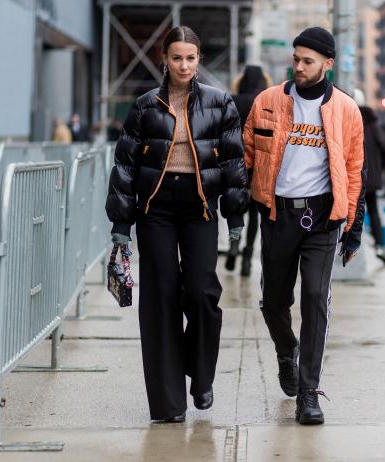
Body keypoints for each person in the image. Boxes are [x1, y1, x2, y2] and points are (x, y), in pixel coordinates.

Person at [105, 26, 249, 423]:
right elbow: (126, 166)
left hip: (200, 208)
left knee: (203, 293)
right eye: (176, 58)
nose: (184, 65)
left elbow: (234, 163)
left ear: (198, 59)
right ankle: (168, 406)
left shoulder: (221, 104)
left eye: (190, 58)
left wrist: (235, 215)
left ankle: (201, 377)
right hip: (157, 211)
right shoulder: (145, 106)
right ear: (164, 60)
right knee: (161, 301)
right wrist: (121, 223)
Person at [244, 27, 365, 425]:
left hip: (323, 219)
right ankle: (286, 351)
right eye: (295, 59)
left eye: (307, 61)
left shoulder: (346, 110)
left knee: (315, 297)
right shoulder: (268, 101)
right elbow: (246, 154)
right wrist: (252, 200)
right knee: (274, 302)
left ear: (327, 64)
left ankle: (309, 394)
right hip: (279, 215)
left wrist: (354, 226)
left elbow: (353, 170)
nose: (298, 66)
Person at [225, 65, 273, 276]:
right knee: (254, 213)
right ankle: (247, 257)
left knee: (235, 207)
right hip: (259, 163)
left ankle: (233, 245)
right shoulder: (265, 103)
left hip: (235, 162)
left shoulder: (232, 101)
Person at [359, 105, 385, 264]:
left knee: (355, 212)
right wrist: (380, 168)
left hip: (357, 177)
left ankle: (354, 245)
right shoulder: (375, 127)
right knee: (374, 211)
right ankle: (379, 245)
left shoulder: (355, 125)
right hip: (373, 177)